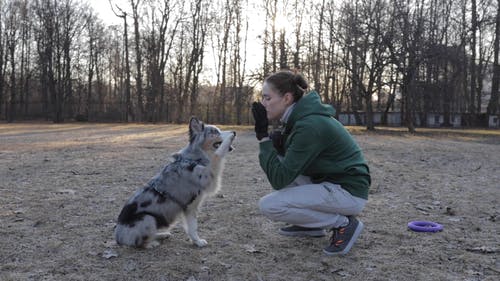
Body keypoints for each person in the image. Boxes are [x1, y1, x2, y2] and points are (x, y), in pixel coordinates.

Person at [251, 70, 371, 255]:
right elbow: (287, 165)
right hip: (331, 183)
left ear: (287, 98)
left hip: (348, 191)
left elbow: (279, 179)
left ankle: (344, 223)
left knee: (269, 206)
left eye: (267, 98)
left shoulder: (309, 125)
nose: (263, 103)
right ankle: (310, 225)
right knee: (280, 158)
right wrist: (277, 143)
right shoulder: (300, 119)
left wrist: (263, 137)